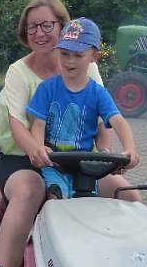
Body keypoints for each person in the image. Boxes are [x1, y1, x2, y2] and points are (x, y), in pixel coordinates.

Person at [0, 0, 141, 267]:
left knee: (128, 194)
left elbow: (102, 120)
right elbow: (20, 127)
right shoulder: (20, 72)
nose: (39, 33)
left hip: (76, 158)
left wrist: (105, 158)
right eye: (31, 28)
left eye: (46, 25)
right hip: (22, 156)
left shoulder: (83, 68)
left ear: (64, 27)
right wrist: (37, 150)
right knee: (31, 191)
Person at [26, 18, 139, 201]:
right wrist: (39, 147)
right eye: (64, 54)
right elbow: (38, 124)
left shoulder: (97, 93)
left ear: (94, 57)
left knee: (89, 207)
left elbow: (118, 121)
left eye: (78, 56)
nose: (70, 61)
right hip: (54, 165)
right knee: (56, 200)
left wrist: (129, 149)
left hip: (86, 167)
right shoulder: (47, 89)